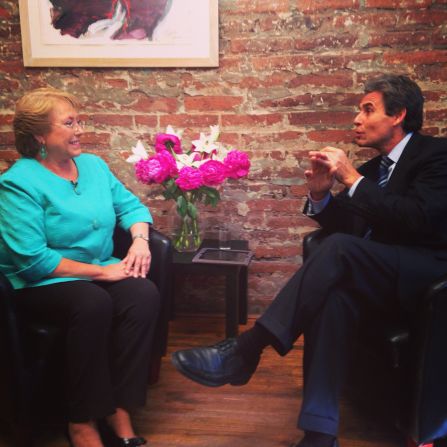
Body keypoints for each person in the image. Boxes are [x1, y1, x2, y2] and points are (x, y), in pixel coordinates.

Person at [171, 75, 447, 447]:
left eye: (367, 109)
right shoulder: (372, 171)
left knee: (339, 249)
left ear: (398, 114)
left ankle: (246, 349)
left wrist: (349, 178)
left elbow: (420, 218)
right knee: (333, 298)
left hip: (427, 277)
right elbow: (349, 225)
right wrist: (320, 196)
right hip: (380, 275)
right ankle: (319, 434)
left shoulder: (436, 155)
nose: (356, 119)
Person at [0, 87, 160, 447]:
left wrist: (139, 240)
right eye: (69, 123)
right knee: (92, 302)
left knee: (142, 294)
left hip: (96, 268)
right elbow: (32, 259)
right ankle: (81, 420)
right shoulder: (17, 183)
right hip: (40, 282)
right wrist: (104, 273)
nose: (79, 130)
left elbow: (131, 208)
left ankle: (118, 406)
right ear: (40, 135)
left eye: (79, 120)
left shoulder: (93, 166)